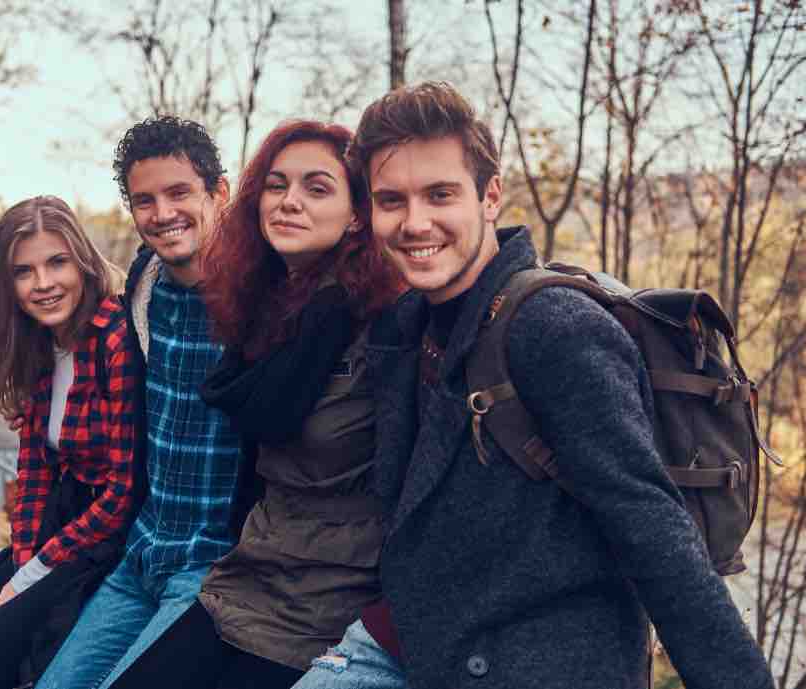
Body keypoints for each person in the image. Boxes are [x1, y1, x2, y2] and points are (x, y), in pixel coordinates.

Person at [299, 81, 776, 689]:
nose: (415, 223)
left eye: (440, 194)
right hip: (409, 637)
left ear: (490, 196)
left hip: (535, 658)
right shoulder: (408, 323)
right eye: (392, 200)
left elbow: (653, 526)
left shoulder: (555, 329)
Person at [107, 120, 400, 689]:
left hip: (333, 602)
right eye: (276, 185)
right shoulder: (262, 311)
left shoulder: (384, 323)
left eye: (316, 188)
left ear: (358, 212)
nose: (289, 201)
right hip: (249, 579)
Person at [35, 116, 257, 689]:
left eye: (179, 192)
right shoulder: (145, 284)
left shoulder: (259, 294)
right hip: (142, 554)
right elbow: (84, 352)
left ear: (219, 193)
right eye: (144, 200)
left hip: (213, 568)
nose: (162, 214)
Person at [0, 195, 137, 689]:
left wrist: (34, 572)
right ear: (8, 283)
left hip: (101, 538)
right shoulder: (40, 344)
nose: (43, 283)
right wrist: (22, 560)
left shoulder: (115, 340)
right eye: (25, 271)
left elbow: (124, 493)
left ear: (82, 261)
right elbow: (36, 472)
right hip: (54, 527)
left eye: (57, 262)